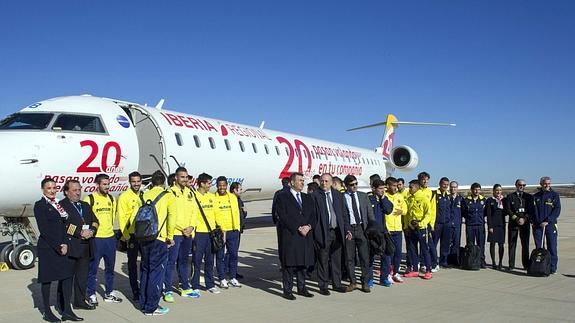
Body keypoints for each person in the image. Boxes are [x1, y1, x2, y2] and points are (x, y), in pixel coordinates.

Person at [35, 178, 81, 322]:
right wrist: (58, 246)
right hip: (48, 247)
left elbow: (65, 225)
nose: (52, 190)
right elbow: (44, 230)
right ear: (43, 189)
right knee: (47, 279)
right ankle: (47, 312)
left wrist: (66, 243)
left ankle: (67, 309)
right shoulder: (40, 205)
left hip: (63, 245)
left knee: (67, 276)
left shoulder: (58, 205)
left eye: (54, 188)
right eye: (49, 188)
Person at [139, 170, 175, 316]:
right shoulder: (168, 196)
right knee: (156, 273)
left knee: (145, 271)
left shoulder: (144, 195)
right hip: (159, 238)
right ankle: (152, 307)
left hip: (144, 237)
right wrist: (170, 237)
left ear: (152, 182)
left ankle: (143, 303)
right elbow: (172, 217)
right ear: (164, 182)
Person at [276, 172, 316, 300]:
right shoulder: (282, 197)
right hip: (291, 235)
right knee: (289, 264)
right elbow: (282, 215)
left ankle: (302, 287)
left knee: (302, 264)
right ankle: (287, 290)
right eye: (299, 180)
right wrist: (297, 227)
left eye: (303, 181)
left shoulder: (307, 198)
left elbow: (314, 216)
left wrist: (308, 226)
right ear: (292, 182)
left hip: (305, 235)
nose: (302, 183)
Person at [59, 180, 98, 311]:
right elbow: (63, 225)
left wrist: (91, 231)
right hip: (72, 247)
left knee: (82, 278)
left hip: (86, 247)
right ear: (66, 191)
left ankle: (80, 301)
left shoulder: (85, 205)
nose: (78, 193)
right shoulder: (61, 206)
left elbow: (95, 221)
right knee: (67, 278)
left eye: (79, 190)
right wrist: (79, 232)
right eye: (74, 190)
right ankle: (63, 304)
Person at [84, 174, 122, 305]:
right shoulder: (89, 199)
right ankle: (91, 294)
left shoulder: (112, 199)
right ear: (97, 185)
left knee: (110, 268)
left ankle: (109, 293)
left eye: (108, 184)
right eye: (104, 184)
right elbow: (86, 220)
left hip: (110, 238)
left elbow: (112, 217)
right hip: (96, 239)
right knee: (93, 269)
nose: (107, 187)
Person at [164, 167, 198, 302]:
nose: (184, 179)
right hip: (175, 234)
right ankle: (167, 290)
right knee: (170, 262)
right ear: (176, 178)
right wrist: (181, 228)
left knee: (184, 261)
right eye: (182, 177)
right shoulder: (169, 193)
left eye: (186, 177)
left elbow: (194, 212)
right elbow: (169, 215)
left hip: (188, 233)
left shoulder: (190, 193)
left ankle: (184, 287)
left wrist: (191, 227)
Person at [312, 173, 350, 295]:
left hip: (337, 231)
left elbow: (344, 214)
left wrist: (347, 229)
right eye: (322, 181)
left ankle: (337, 284)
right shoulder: (314, 196)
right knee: (323, 259)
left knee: (336, 259)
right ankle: (323, 286)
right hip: (323, 232)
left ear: (331, 182)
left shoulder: (338, 195)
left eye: (326, 181)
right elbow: (312, 216)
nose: (323, 183)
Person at [343, 175, 375, 293]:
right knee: (350, 258)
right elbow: (342, 216)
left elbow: (370, 214)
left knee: (364, 257)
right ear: (345, 186)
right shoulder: (342, 198)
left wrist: (371, 229)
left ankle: (365, 282)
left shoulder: (363, 196)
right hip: (349, 230)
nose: (355, 186)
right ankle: (353, 282)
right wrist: (347, 230)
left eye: (356, 184)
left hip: (362, 229)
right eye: (351, 185)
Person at [192, 173, 223, 295]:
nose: (210, 185)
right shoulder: (194, 196)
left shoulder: (212, 197)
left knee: (210, 260)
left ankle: (210, 284)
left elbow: (216, 213)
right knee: (197, 260)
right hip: (199, 233)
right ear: (202, 183)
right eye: (209, 183)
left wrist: (221, 229)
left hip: (211, 233)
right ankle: (195, 284)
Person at [116, 171, 143, 301]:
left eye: (138, 181)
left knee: (145, 264)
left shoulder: (144, 195)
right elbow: (121, 218)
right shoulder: (124, 197)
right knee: (132, 265)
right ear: (129, 182)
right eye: (133, 181)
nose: (136, 184)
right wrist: (126, 236)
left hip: (144, 235)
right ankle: (135, 291)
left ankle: (144, 288)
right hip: (132, 236)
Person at [214, 176, 242, 289]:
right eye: (220, 185)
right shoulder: (214, 198)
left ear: (226, 186)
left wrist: (237, 228)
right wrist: (222, 230)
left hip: (233, 230)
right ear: (217, 186)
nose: (222, 187)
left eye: (224, 185)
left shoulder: (232, 197)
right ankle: (222, 278)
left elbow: (236, 213)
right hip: (221, 232)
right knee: (220, 256)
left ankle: (233, 277)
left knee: (234, 255)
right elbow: (216, 215)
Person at [403, 180, 433, 280]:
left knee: (424, 249)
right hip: (411, 228)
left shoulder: (424, 198)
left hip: (421, 228)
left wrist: (421, 223)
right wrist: (406, 226)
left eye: (411, 187)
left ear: (417, 187)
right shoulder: (409, 199)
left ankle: (428, 270)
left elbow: (428, 214)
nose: (409, 189)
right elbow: (407, 214)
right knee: (412, 249)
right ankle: (415, 270)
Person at [531, 176, 561, 274]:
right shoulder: (536, 196)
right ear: (541, 184)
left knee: (552, 246)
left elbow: (557, 210)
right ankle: (539, 266)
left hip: (550, 225)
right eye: (545, 183)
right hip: (538, 226)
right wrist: (534, 221)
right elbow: (532, 211)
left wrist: (548, 220)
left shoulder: (554, 195)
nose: (547, 185)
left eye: (549, 183)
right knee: (539, 247)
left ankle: (552, 268)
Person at [367, 179, 393, 287]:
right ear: (374, 188)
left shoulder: (384, 199)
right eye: (380, 188)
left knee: (386, 256)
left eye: (384, 188)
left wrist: (383, 198)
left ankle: (384, 278)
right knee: (370, 257)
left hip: (383, 232)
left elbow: (388, 210)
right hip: (371, 233)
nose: (383, 190)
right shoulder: (368, 198)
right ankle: (369, 279)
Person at [505, 179, 532, 271]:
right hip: (513, 224)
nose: (522, 186)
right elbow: (508, 210)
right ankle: (511, 265)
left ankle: (526, 265)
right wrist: (517, 219)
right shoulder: (510, 196)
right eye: (520, 185)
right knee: (512, 244)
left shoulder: (529, 197)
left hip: (525, 224)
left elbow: (530, 210)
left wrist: (524, 219)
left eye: (524, 185)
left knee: (525, 245)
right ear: (516, 185)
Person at [384, 177, 407, 284]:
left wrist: (401, 211)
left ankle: (395, 273)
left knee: (398, 252)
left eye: (397, 185)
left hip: (398, 229)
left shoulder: (400, 196)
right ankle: (387, 273)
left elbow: (406, 210)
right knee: (388, 253)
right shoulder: (384, 196)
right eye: (393, 185)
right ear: (387, 186)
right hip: (388, 229)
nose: (396, 187)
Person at [462, 182, 487, 268]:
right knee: (470, 244)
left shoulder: (483, 200)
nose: (477, 191)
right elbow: (464, 212)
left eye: (478, 189)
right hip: (470, 225)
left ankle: (481, 261)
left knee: (481, 244)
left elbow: (485, 213)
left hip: (480, 225)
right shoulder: (466, 201)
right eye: (475, 189)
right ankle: (470, 260)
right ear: (472, 190)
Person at [418, 172, 437, 273]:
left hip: (427, 223)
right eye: (423, 179)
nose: (425, 181)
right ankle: (422, 263)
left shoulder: (430, 193)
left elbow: (433, 210)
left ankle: (434, 263)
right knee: (421, 244)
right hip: (417, 223)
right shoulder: (415, 191)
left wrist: (432, 223)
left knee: (429, 244)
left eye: (427, 180)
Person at [486, 184, 507, 270]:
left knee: (501, 245)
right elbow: (488, 214)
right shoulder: (490, 200)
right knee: (492, 244)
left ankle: (500, 262)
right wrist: (490, 226)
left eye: (500, 190)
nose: (498, 192)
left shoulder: (504, 200)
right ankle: (493, 262)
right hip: (493, 226)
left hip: (501, 225)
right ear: (493, 191)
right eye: (496, 190)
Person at [433, 177, 452, 269]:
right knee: (434, 243)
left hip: (446, 224)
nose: (445, 186)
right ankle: (433, 261)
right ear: (440, 184)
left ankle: (443, 261)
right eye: (444, 184)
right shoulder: (435, 195)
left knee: (445, 244)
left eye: (447, 185)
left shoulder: (449, 196)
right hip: (437, 223)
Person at [229, 182, 246, 279]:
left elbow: (241, 215)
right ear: (234, 190)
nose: (241, 191)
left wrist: (244, 212)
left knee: (234, 252)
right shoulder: (232, 200)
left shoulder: (238, 200)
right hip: (233, 229)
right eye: (240, 189)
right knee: (231, 252)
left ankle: (233, 271)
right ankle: (230, 270)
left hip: (238, 228)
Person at [447, 181, 463, 266]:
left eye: (455, 187)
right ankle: (447, 260)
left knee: (456, 243)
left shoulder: (460, 199)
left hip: (457, 224)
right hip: (448, 224)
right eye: (451, 187)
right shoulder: (446, 198)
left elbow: (463, 211)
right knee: (448, 242)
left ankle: (455, 260)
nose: (453, 189)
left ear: (457, 188)